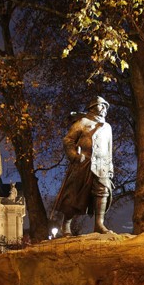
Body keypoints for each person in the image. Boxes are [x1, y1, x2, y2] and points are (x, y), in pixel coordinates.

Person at [53, 96, 114, 236]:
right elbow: (68, 140)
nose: (104, 108)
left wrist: (110, 167)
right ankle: (66, 225)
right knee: (73, 195)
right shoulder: (82, 122)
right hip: (84, 163)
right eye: (101, 105)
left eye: (106, 106)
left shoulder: (107, 127)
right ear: (92, 107)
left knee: (102, 191)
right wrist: (74, 156)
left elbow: (109, 149)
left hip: (102, 165)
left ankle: (99, 224)